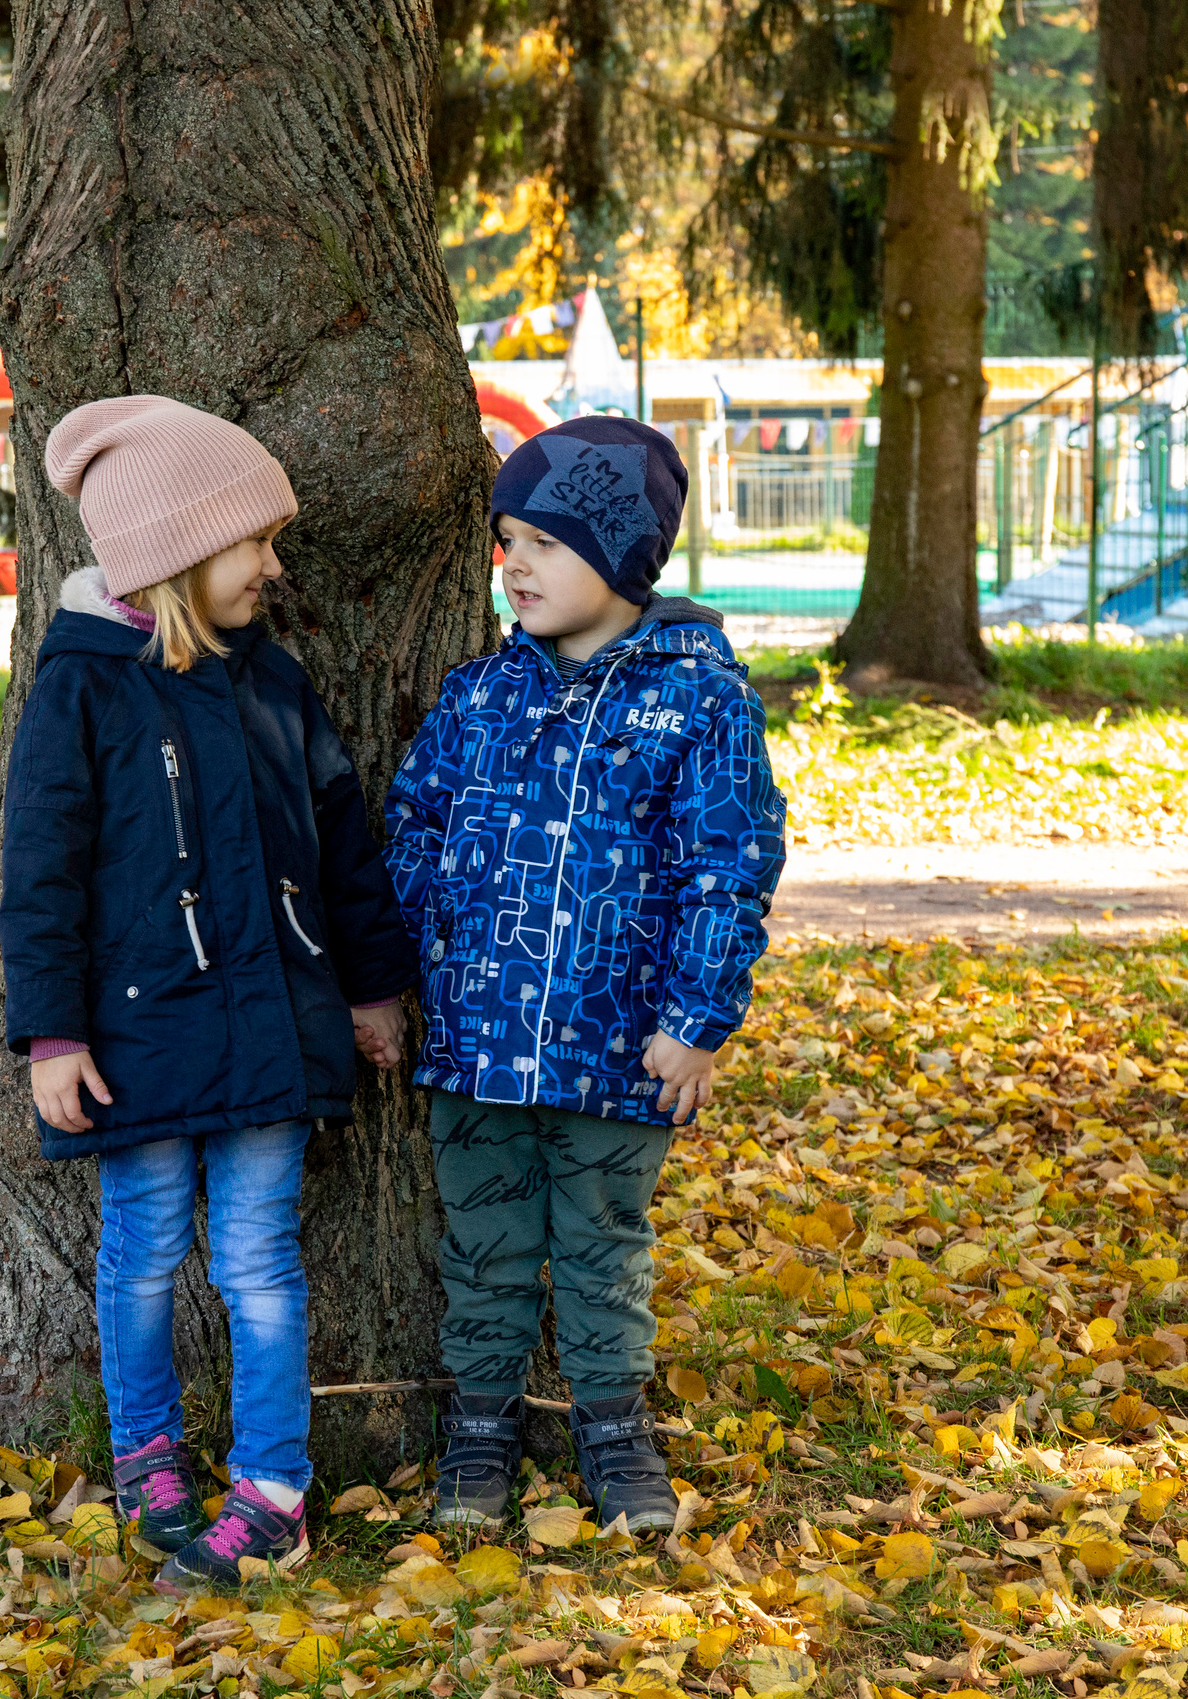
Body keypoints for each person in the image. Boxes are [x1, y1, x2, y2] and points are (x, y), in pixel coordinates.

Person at [0, 394, 414, 1591]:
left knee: (258, 1259)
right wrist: (52, 1034)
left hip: (272, 1025)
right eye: (254, 542)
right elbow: (41, 871)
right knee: (138, 1249)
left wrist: (372, 988)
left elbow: (343, 846)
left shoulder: (272, 681)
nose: (273, 567)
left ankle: (273, 1493)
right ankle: (148, 1456)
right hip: (133, 1035)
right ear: (175, 549)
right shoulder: (82, 688)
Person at [384, 413, 787, 1535]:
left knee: (603, 1248)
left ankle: (612, 1427)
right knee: (485, 1245)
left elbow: (729, 862)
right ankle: (479, 1426)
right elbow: (413, 827)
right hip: (476, 1042)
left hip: (621, 1049)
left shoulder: (699, 699)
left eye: (545, 543)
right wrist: (408, 972)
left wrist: (697, 1019)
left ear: (621, 555)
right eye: (506, 539)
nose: (512, 564)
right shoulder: (479, 694)